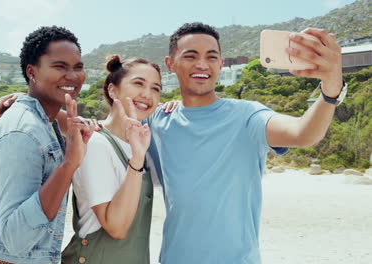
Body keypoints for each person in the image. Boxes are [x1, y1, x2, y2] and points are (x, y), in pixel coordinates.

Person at [145, 22, 345, 263]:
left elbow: (304, 133)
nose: (202, 64)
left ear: (220, 64)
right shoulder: (158, 119)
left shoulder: (247, 115)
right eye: (190, 56)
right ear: (171, 64)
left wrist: (331, 89)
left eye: (211, 57)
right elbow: (112, 128)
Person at [0, 26, 95, 264]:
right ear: (32, 71)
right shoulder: (22, 132)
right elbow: (17, 238)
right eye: (60, 66)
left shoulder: (43, 122)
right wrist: (69, 164)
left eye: (78, 67)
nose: (73, 75)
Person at [61, 55, 162, 264]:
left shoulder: (142, 143)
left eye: (156, 88)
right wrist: (137, 158)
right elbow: (116, 226)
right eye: (138, 83)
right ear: (112, 89)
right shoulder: (95, 143)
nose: (147, 94)